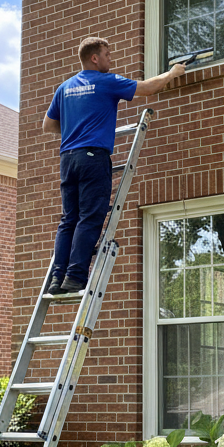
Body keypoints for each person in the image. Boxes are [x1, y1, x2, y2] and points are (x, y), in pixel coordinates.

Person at [43, 36, 186, 295]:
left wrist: (77, 125)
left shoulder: (64, 88)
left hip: (67, 159)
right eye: (107, 55)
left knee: (68, 220)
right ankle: (75, 277)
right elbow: (147, 88)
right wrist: (172, 73)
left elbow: (49, 125)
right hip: (92, 157)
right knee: (89, 217)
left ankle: (57, 278)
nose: (111, 59)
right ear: (94, 58)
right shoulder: (106, 81)